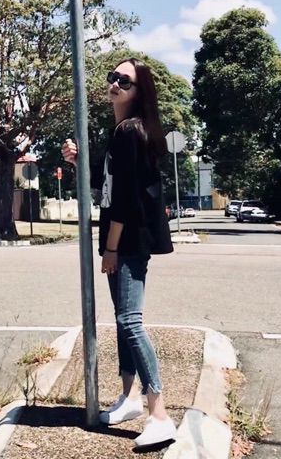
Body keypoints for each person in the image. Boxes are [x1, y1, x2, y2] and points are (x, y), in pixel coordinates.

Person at [62, 57, 175, 448]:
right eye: (113, 77)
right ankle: (129, 398)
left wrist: (111, 247)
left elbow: (125, 200)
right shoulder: (122, 131)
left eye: (124, 81)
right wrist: (79, 162)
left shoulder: (130, 131)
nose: (115, 84)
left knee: (130, 321)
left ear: (139, 91)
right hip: (125, 239)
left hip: (127, 242)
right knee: (123, 320)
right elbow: (108, 183)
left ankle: (159, 413)